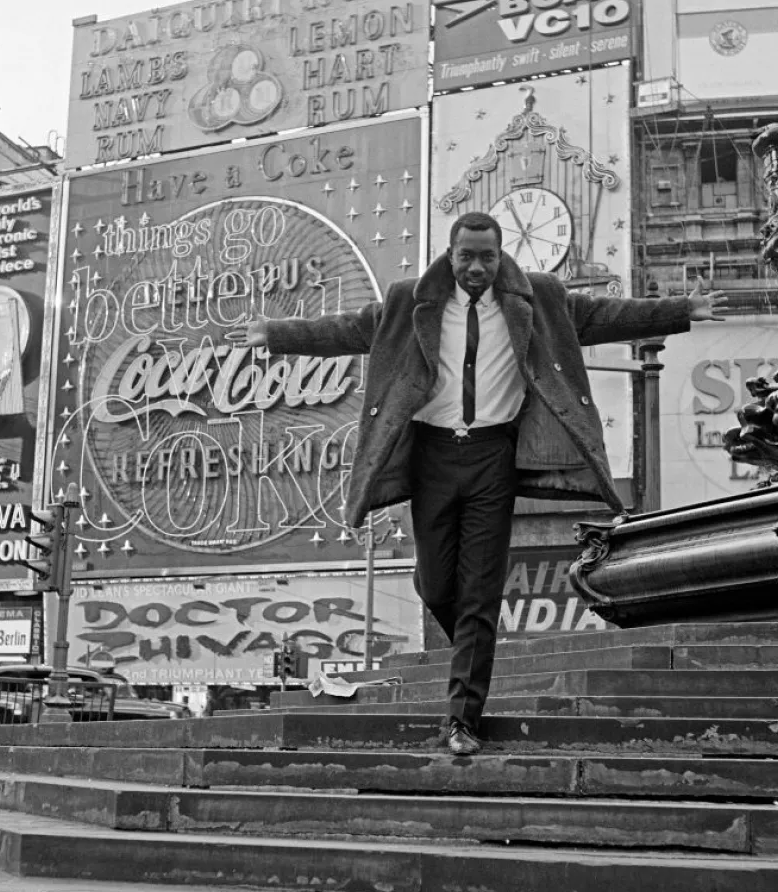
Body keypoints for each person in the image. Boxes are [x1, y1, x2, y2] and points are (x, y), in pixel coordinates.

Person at [244, 211, 724, 756]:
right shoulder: (410, 302)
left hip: (493, 457)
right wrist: (276, 334)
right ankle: (474, 656)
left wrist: (684, 310)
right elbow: (351, 328)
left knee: (479, 595)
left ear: (502, 257)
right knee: (435, 586)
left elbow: (605, 314)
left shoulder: (537, 299)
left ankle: (462, 719)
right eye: (467, 256)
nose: (477, 267)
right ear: (451, 255)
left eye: (487, 257)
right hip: (431, 456)